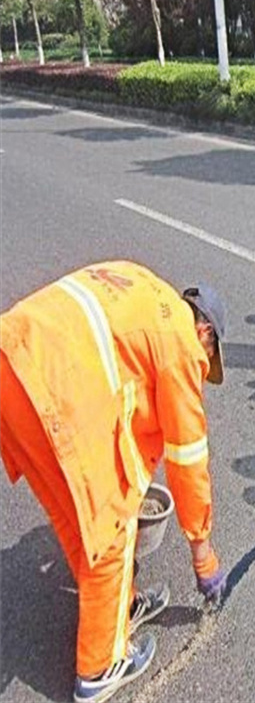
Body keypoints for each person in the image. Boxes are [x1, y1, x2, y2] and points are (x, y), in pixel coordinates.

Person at [0, 261, 229, 702]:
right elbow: (188, 458)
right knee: (111, 527)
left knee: (74, 515)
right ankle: (100, 667)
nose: (202, 369)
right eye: (208, 361)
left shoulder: (144, 285)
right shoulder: (181, 344)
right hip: (52, 391)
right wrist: (203, 554)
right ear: (205, 333)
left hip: (12, 361)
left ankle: (119, 607)